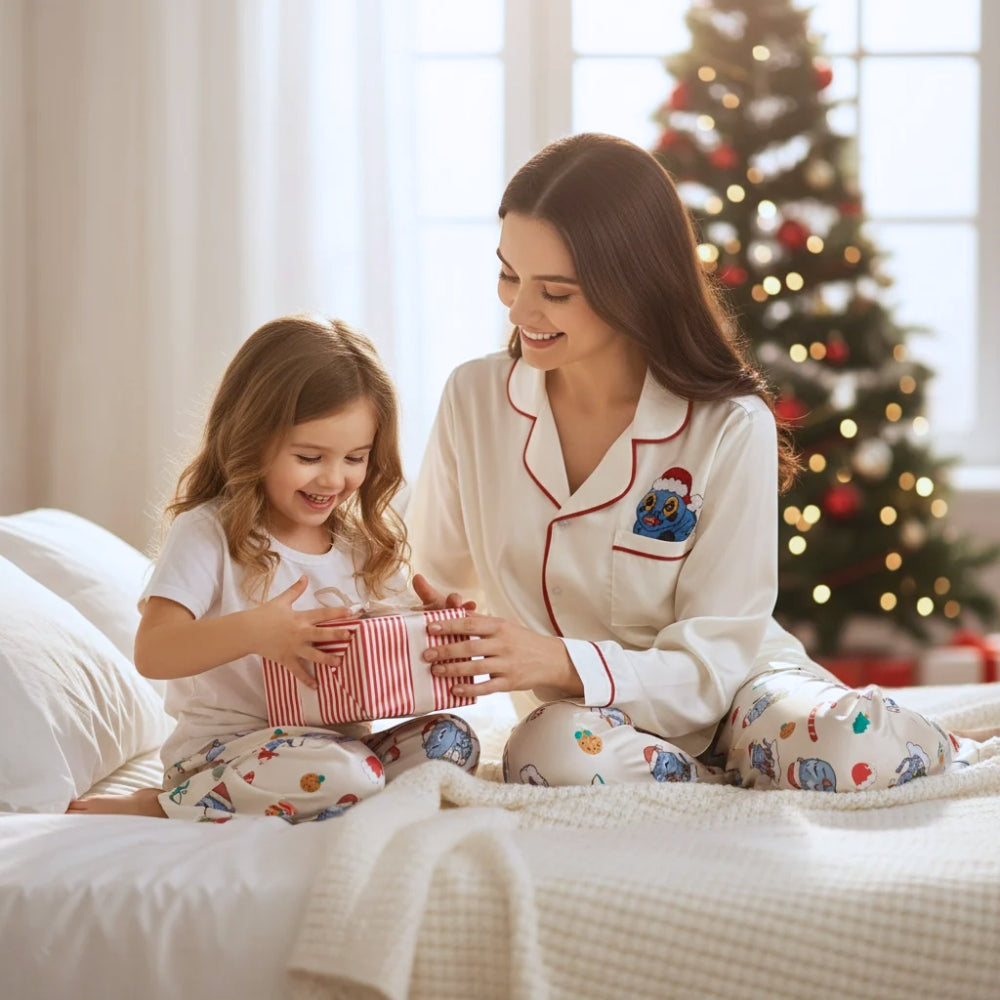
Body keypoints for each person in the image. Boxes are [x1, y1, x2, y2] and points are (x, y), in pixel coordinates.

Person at [406, 132, 979, 792]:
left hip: (740, 692)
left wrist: (559, 659)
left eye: (555, 292)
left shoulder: (730, 424)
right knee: (550, 757)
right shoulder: (474, 399)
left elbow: (714, 663)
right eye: (509, 274)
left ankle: (949, 746)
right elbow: (429, 584)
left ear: (632, 286)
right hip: (584, 722)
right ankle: (711, 785)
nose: (519, 308)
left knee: (847, 749)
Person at [69, 315, 479, 822]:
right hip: (224, 757)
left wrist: (432, 630)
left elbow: (387, 657)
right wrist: (255, 631)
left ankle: (352, 793)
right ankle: (164, 804)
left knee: (452, 742)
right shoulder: (209, 532)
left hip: (339, 746)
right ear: (252, 438)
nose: (334, 478)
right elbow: (153, 652)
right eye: (310, 456)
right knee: (348, 773)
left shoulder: (359, 543)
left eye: (356, 457)